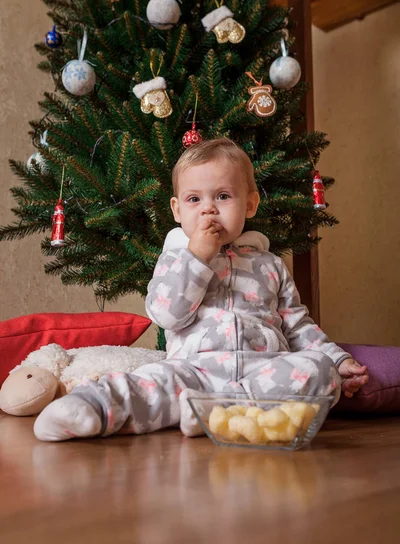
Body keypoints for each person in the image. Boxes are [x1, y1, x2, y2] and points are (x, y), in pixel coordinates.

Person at [34, 138, 368, 442]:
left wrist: (336, 359)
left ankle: (222, 411)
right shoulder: (176, 259)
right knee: (149, 381)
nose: (208, 208)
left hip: (261, 374)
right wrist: (197, 258)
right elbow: (167, 315)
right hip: (194, 372)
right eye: (195, 199)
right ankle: (91, 407)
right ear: (178, 211)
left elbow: (298, 326)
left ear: (250, 205)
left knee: (318, 371)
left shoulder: (270, 264)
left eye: (223, 196)